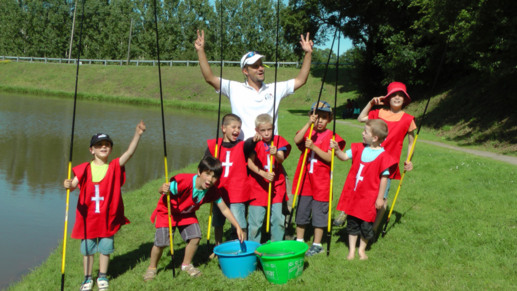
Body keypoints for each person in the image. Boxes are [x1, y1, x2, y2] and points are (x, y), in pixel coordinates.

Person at [63, 121, 146, 291]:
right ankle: (87, 278)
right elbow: (72, 186)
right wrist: (68, 184)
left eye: (107, 145)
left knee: (105, 248)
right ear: (91, 150)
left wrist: (137, 134)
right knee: (88, 250)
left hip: (108, 218)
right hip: (88, 219)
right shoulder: (84, 168)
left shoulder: (114, 167)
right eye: (99, 145)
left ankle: (102, 276)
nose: (103, 147)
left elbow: (129, 153)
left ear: (110, 149)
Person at [194, 29, 314, 140]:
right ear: (245, 71)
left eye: (261, 65)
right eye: (255, 66)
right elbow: (209, 78)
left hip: (268, 151)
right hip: (243, 149)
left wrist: (308, 53)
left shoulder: (275, 88)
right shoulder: (234, 88)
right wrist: (200, 51)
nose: (260, 68)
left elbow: (301, 80)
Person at [143, 156, 244, 280]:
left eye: (214, 177)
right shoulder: (184, 182)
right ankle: (152, 268)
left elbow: (224, 208)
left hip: (186, 214)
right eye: (207, 174)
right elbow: (164, 189)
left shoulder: (212, 191)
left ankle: (186, 265)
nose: (210, 179)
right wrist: (162, 189)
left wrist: (237, 226)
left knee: (195, 237)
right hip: (168, 212)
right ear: (199, 172)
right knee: (161, 243)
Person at [330, 119, 397, 260]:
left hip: (369, 198)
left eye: (365, 131)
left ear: (374, 138)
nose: (362, 133)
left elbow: (384, 179)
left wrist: (380, 198)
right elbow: (343, 157)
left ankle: (362, 250)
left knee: (366, 226)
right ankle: (351, 251)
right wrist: (337, 150)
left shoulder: (384, 156)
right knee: (352, 224)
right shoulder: (358, 148)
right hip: (355, 196)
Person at [357, 81, 416, 231]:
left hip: (389, 164)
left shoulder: (408, 119)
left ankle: (373, 230)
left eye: (400, 95)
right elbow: (360, 118)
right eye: (393, 95)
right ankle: (353, 216)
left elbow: (411, 143)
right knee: (362, 191)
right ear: (388, 98)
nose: (397, 98)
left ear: (405, 99)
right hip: (370, 159)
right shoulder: (378, 113)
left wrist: (408, 160)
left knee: (381, 198)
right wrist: (371, 103)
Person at [292, 101, 346, 256]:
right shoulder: (308, 132)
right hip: (305, 180)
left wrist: (313, 147)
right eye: (317, 116)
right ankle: (300, 241)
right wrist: (308, 124)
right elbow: (296, 140)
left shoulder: (332, 136)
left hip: (322, 182)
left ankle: (317, 244)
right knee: (302, 211)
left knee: (319, 213)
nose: (320, 120)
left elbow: (330, 158)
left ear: (329, 119)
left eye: (324, 117)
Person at [244, 113, 291, 243]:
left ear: (273, 128)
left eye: (269, 130)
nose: (266, 133)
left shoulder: (278, 140)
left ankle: (276, 248)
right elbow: (250, 163)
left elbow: (281, 159)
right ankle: (254, 250)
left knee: (278, 219)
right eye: (262, 130)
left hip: (276, 185)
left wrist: (275, 153)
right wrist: (263, 174)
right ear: (257, 130)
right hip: (258, 187)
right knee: (256, 222)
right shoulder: (255, 143)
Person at [205, 114, 249, 245]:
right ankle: (218, 246)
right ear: (223, 128)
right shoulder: (214, 145)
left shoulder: (242, 145)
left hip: (237, 190)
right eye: (233, 127)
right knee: (218, 221)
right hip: (218, 189)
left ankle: (242, 247)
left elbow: (251, 143)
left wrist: (255, 139)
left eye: (239, 127)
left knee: (239, 222)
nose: (237, 130)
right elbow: (205, 163)